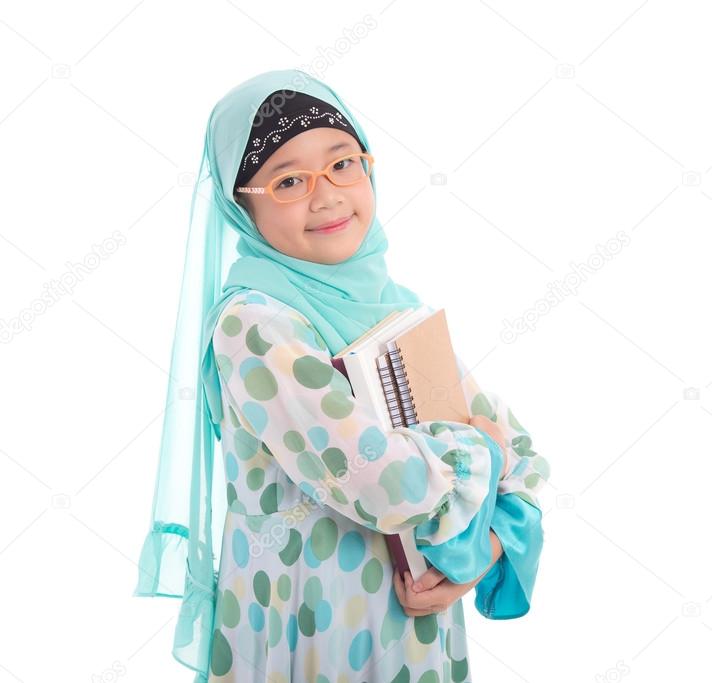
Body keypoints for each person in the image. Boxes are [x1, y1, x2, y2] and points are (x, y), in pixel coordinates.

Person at [134, 69, 550, 682]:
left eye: (342, 164)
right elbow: (389, 483)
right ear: (240, 203)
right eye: (288, 180)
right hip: (310, 628)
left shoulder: (394, 305)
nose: (326, 195)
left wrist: (478, 555)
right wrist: (476, 451)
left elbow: (527, 458)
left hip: (412, 628)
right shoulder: (255, 326)